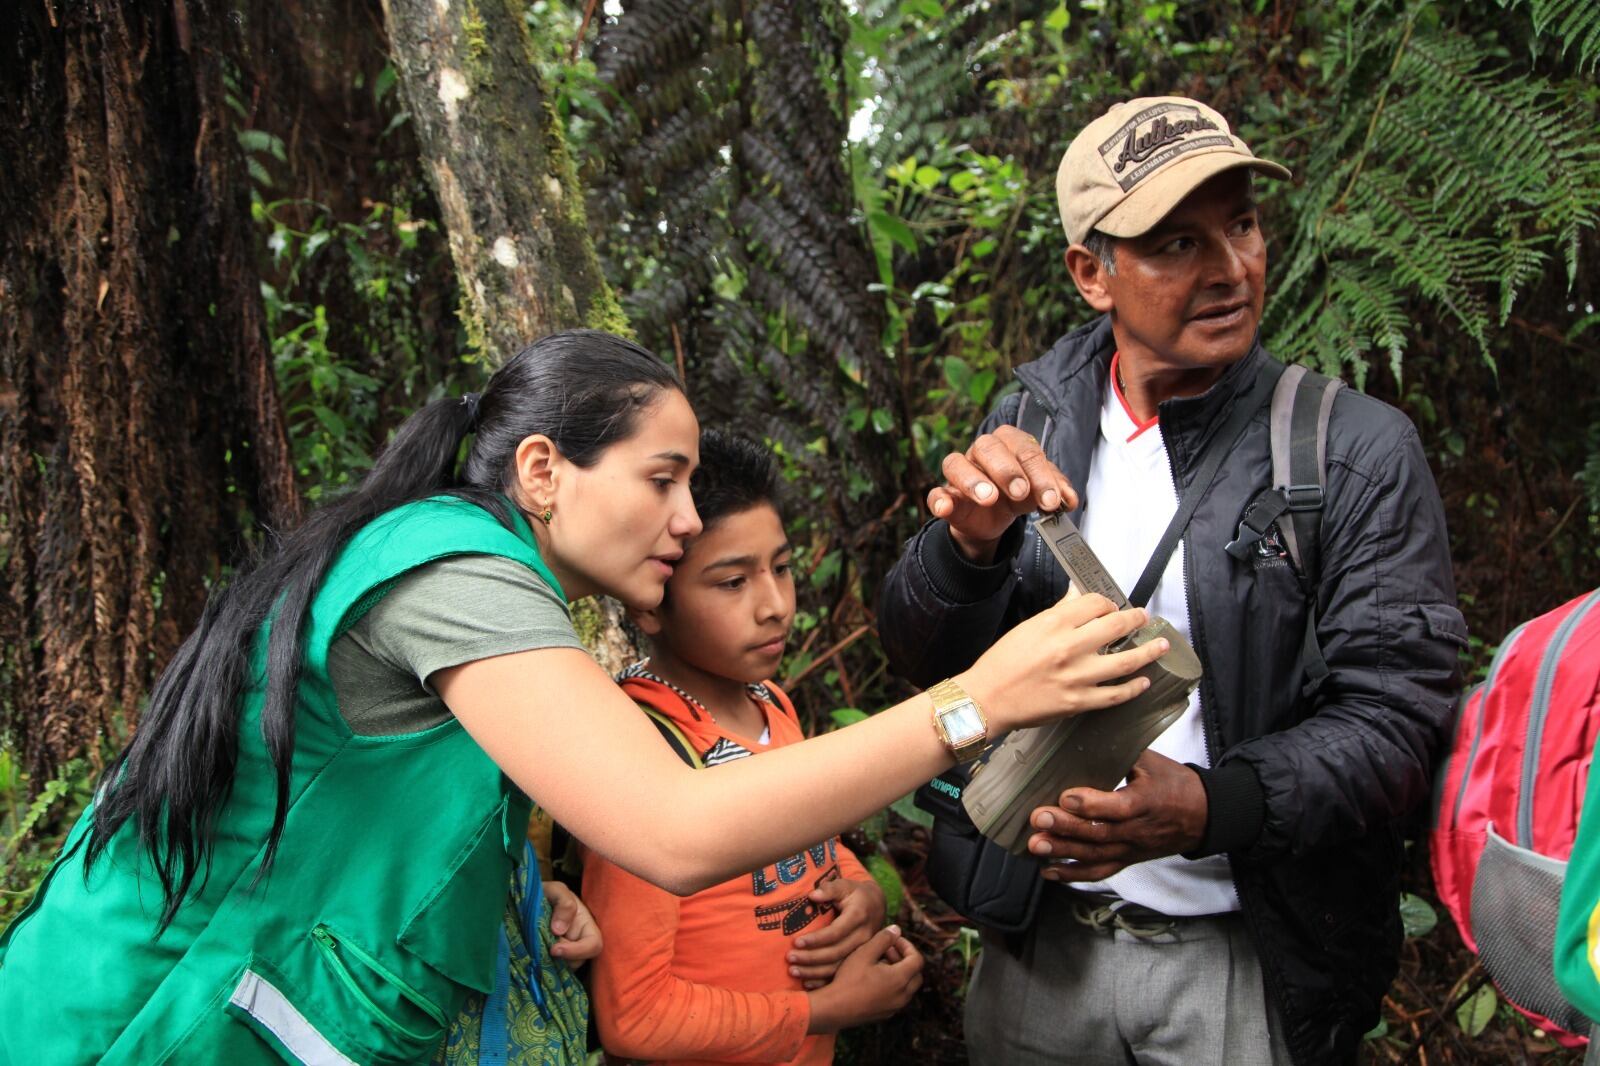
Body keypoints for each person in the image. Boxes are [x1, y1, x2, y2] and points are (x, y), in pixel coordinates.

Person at [0, 330, 1168, 1065]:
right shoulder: (456, 571)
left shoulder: (468, 576)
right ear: (543, 471)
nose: (685, 516)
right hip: (136, 1021)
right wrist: (975, 700)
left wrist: (524, 889)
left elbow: (375, 783)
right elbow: (672, 828)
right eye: (663, 479)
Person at [877, 98, 1467, 1065]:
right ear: (1090, 274)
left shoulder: (1350, 451)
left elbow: (1399, 718)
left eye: (1240, 225)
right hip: (1040, 946)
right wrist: (965, 547)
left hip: (1240, 961)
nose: (1230, 268)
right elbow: (927, 658)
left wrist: (1205, 808)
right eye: (1175, 243)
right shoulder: (1037, 413)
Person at [583, 429, 915, 1066]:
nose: (776, 606)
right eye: (733, 583)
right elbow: (635, 1017)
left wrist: (858, 889)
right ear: (650, 602)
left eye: (782, 568)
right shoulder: (643, 754)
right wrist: (825, 1012)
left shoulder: (768, 704)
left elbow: (802, 833)